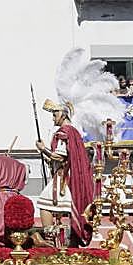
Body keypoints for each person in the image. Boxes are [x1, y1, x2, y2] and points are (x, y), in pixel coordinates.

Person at [36, 100, 96, 246]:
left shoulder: (64, 132)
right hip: (69, 175)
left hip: (64, 177)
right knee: (66, 208)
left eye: (55, 114)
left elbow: (60, 156)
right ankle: (70, 241)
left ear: (63, 114)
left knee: (44, 203)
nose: (53, 118)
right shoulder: (74, 131)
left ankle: (50, 240)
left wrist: (43, 148)